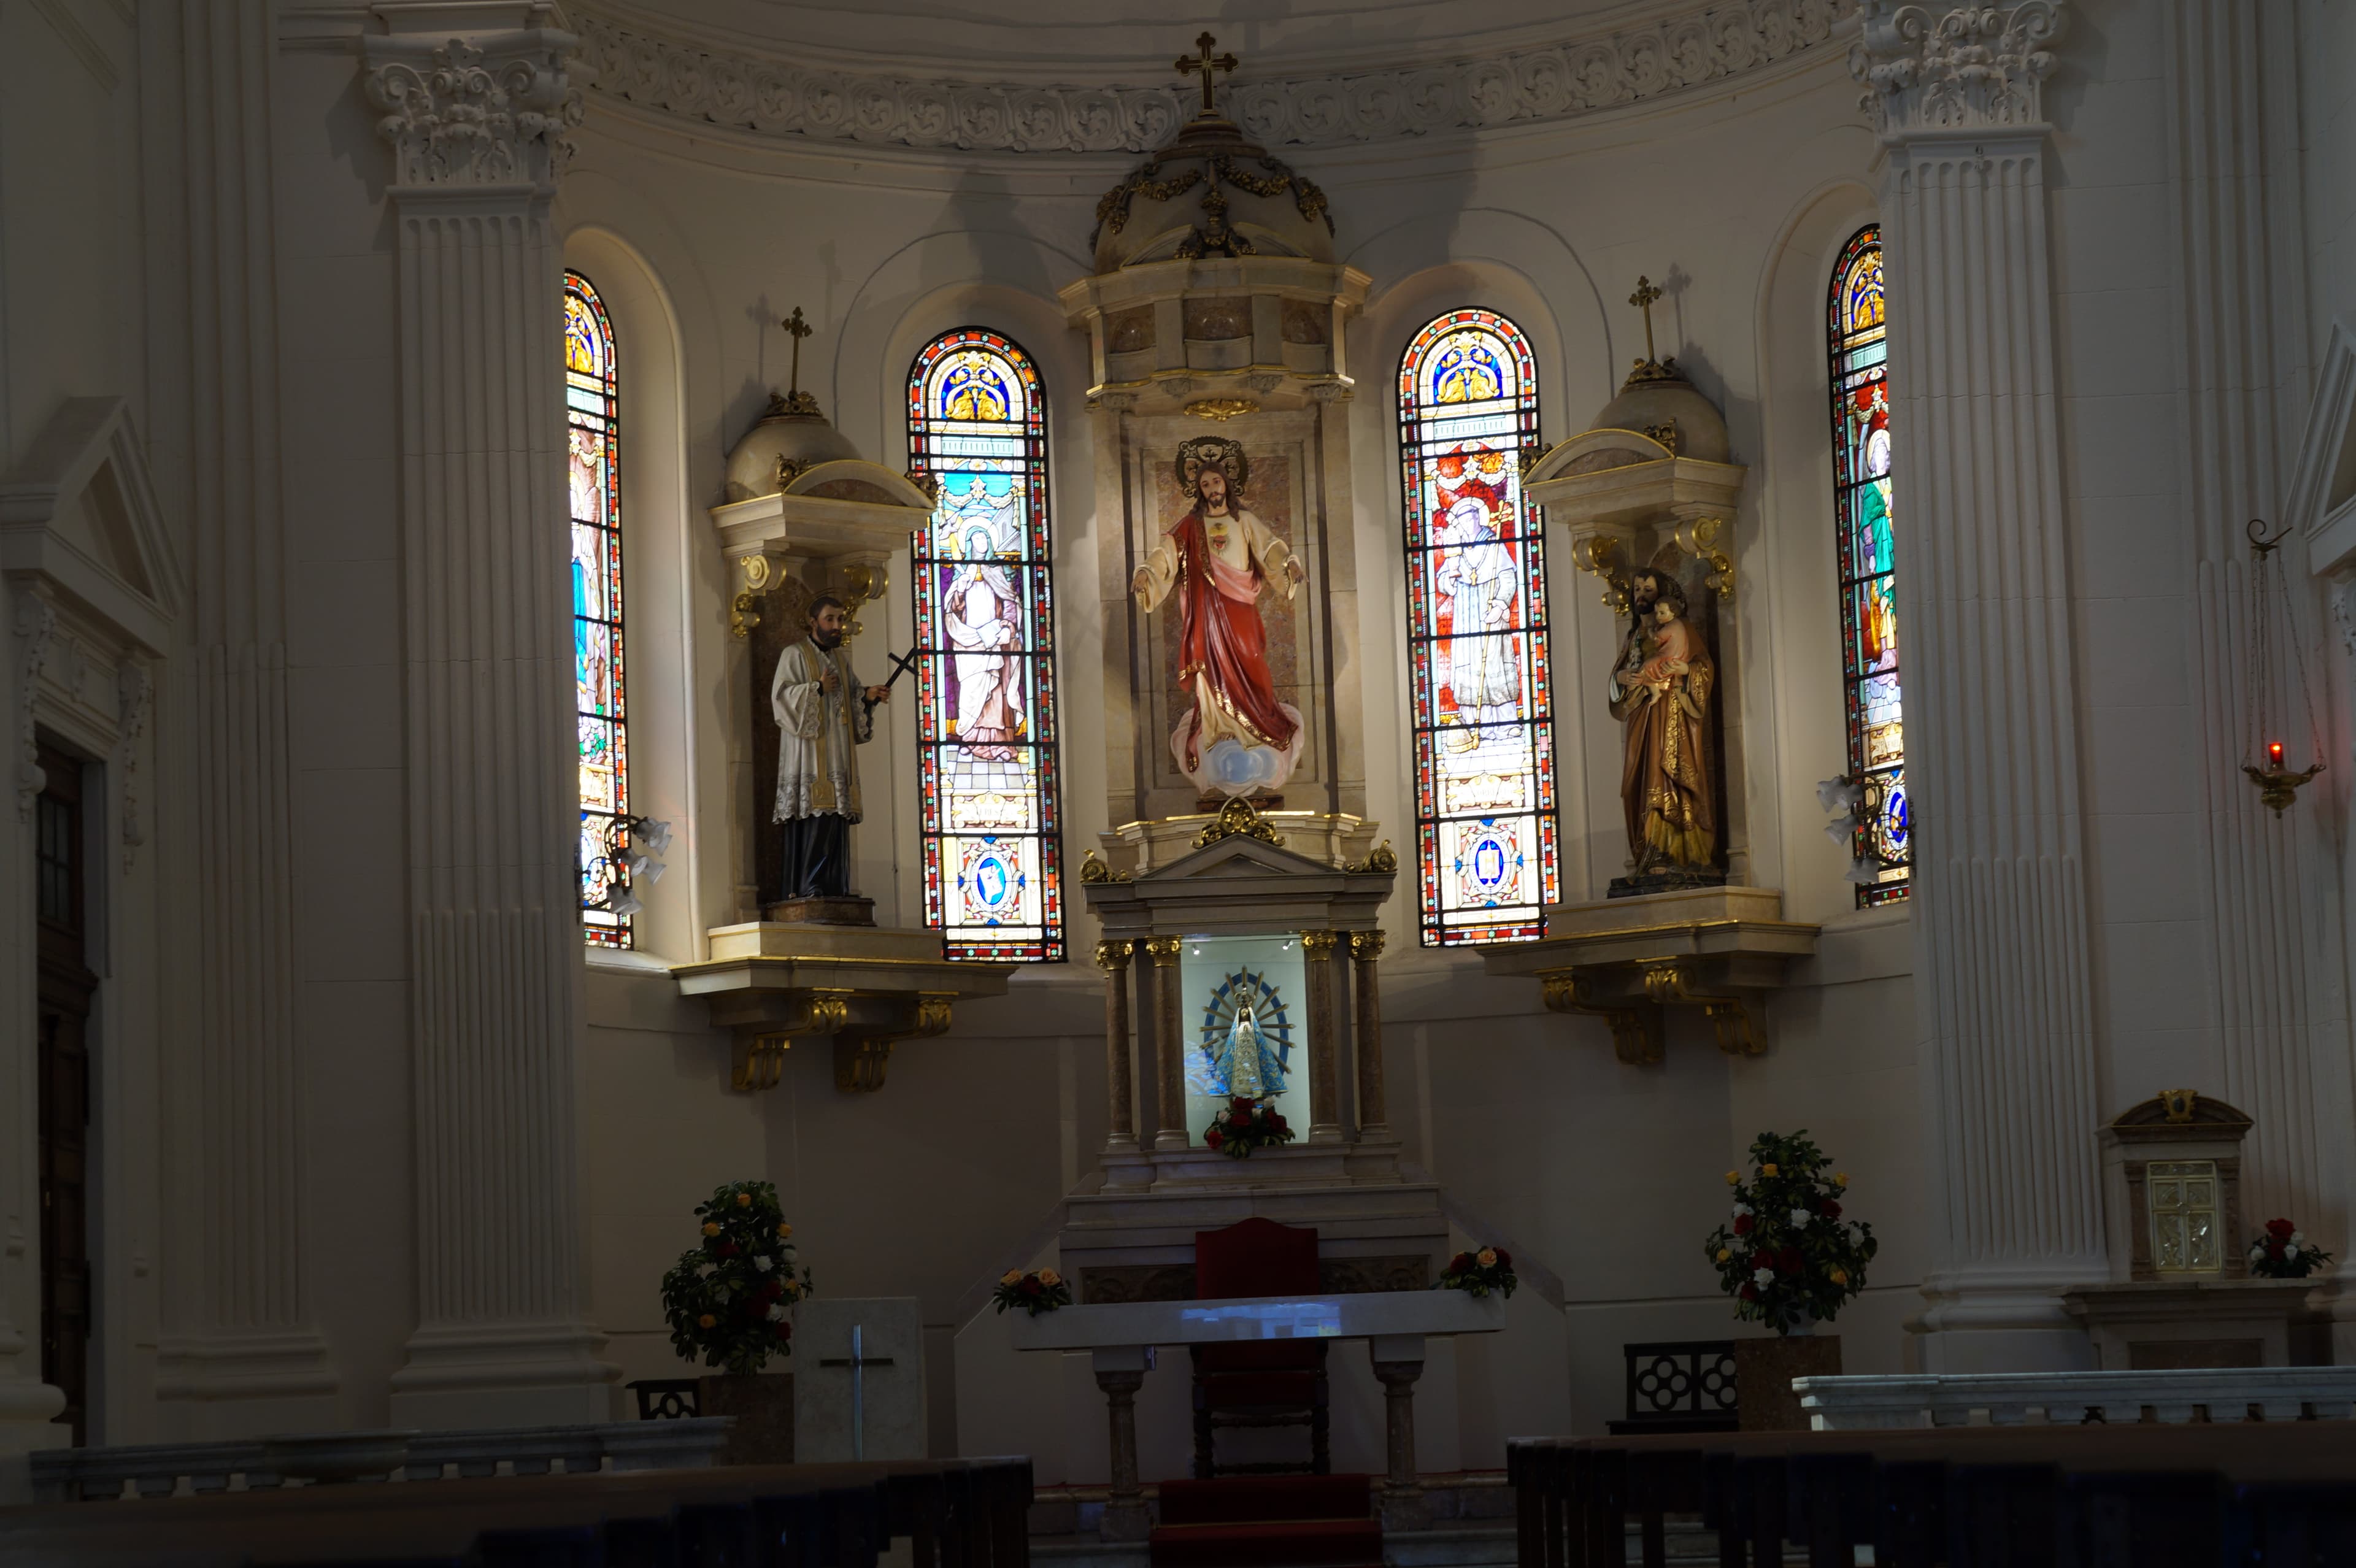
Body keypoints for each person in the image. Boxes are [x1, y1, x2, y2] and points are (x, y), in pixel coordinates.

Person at [1131, 439, 1304, 774]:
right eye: (1205, 484)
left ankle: (1256, 725)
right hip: (1206, 614)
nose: (1212, 488)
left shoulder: (1246, 521)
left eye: (1216, 481)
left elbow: (1271, 547)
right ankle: (1218, 728)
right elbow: (1164, 555)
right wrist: (1145, 573)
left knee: (1252, 661)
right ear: (1200, 490)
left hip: (1240, 609)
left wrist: (1290, 565)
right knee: (1210, 673)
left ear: (1227, 484)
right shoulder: (1189, 527)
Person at [772, 595, 891, 901]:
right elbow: (781, 699)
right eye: (830, 619)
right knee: (816, 817)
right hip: (808, 758)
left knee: (837, 818)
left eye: (840, 619)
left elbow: (850, 698)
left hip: (837, 753)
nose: (837, 626)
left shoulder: (840, 660)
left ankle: (834, 885)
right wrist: (816, 689)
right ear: (813, 622)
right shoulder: (794, 655)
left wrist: (866, 696)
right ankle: (809, 884)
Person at [1608, 571, 1717, 874]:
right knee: (1637, 780)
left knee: (1667, 770)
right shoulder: (1634, 636)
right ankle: (1647, 848)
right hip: (1642, 713)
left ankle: (1673, 850)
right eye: (1637, 589)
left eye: (1648, 589)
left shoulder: (1680, 629)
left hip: (1672, 711)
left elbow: (1703, 667)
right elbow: (1618, 675)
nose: (1640, 594)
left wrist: (1686, 669)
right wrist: (1621, 678)